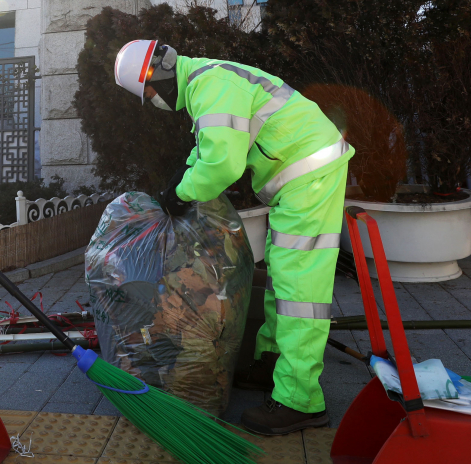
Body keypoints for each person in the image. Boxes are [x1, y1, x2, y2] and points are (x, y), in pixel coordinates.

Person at [113, 39, 353, 436]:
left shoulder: (211, 86)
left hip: (309, 177)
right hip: (301, 177)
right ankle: (272, 361)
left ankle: (300, 401)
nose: (153, 100)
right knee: (283, 275)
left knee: (301, 292)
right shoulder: (206, 83)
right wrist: (182, 175)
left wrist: (181, 191)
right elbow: (209, 148)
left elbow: (222, 163)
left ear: (161, 73)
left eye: (150, 91)